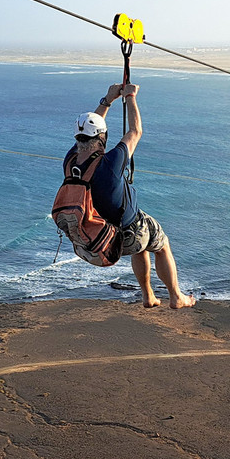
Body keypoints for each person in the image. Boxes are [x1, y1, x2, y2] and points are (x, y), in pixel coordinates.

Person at [67, 83, 194, 309]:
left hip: (98, 236)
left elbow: (91, 126)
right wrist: (130, 96)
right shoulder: (110, 162)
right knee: (161, 244)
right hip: (127, 233)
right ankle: (176, 297)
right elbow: (135, 131)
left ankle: (148, 296)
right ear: (102, 137)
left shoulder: (71, 162)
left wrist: (107, 100)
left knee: (142, 245)